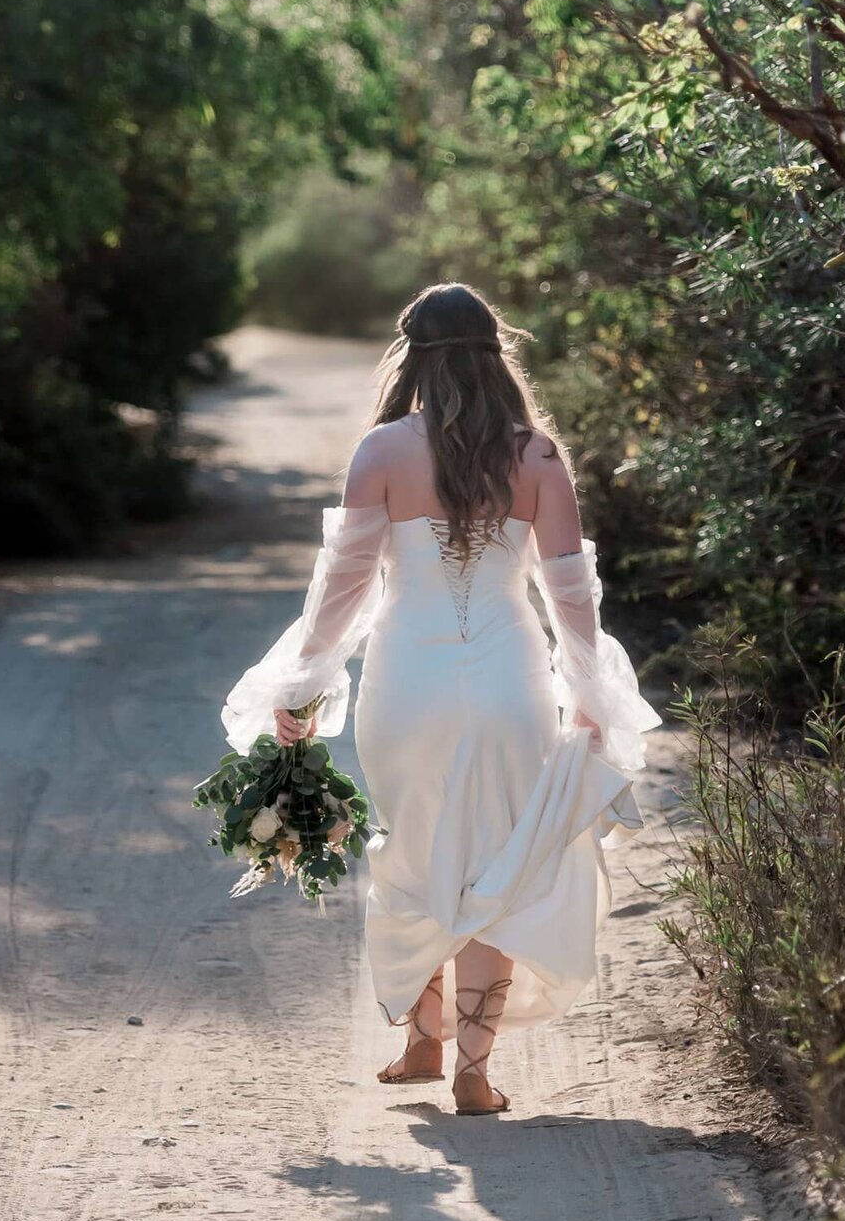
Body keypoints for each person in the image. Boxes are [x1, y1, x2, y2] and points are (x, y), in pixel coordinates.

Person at [221, 283, 661, 1115]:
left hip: (406, 685)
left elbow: (342, 589)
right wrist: (590, 689)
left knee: (417, 849)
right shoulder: (536, 458)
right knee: (498, 861)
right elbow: (572, 595)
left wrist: (304, 683)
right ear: (497, 353)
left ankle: (421, 1039)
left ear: (411, 356)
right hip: (511, 683)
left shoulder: (381, 452)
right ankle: (469, 1067)